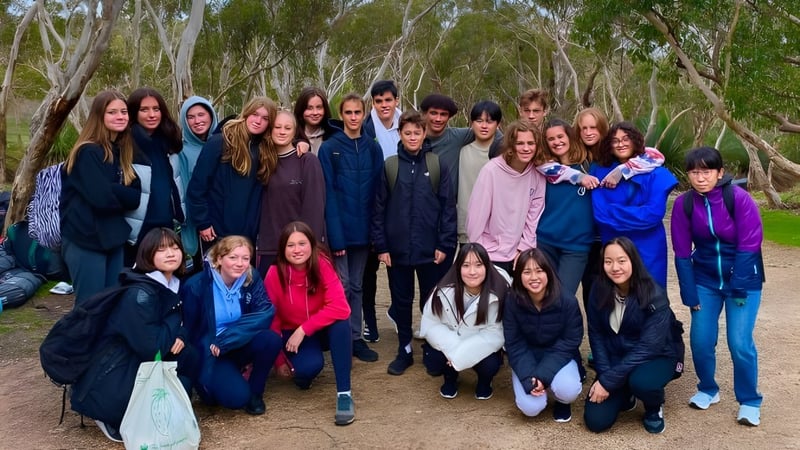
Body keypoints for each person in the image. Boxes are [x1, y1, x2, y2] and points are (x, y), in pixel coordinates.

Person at [70, 228, 198, 442]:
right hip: (119, 366)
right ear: (147, 254)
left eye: (175, 247)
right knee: (138, 413)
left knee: (190, 356)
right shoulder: (140, 293)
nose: (171, 253)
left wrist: (182, 334)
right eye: (162, 249)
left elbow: (176, 326)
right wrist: (176, 319)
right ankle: (107, 414)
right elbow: (151, 348)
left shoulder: (172, 284)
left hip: (143, 356)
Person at [671, 146, 765, 426]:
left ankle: (749, 400)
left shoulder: (738, 198)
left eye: (707, 171)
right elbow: (681, 251)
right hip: (705, 281)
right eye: (695, 172)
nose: (700, 177)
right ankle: (708, 389)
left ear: (720, 172)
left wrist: (737, 286)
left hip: (743, 282)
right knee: (700, 341)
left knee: (739, 343)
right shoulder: (684, 204)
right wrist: (689, 293)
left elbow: (750, 244)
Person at [372, 110, 457, 376]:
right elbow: (378, 210)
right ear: (399, 134)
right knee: (401, 300)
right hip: (397, 252)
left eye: (417, 133)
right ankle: (404, 349)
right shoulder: (390, 165)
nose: (412, 137)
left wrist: (444, 245)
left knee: (432, 301)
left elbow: (448, 209)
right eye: (407, 132)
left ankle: (433, 347)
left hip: (430, 250)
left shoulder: (436, 165)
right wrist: (382, 247)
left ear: (424, 134)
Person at [584, 237, 681, 434]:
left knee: (642, 382)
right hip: (617, 356)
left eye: (621, 260)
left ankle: (653, 407)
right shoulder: (598, 289)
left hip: (656, 356)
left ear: (633, 261)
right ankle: (625, 394)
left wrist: (608, 381)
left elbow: (649, 347)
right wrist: (604, 375)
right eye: (608, 261)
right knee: (596, 421)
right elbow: (596, 334)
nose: (615, 267)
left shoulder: (654, 294)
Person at [264, 221, 355, 425]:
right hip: (291, 333)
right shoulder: (274, 273)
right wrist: (278, 361)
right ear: (282, 248)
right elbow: (272, 318)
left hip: (317, 329)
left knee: (341, 324)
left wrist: (304, 329)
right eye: (291, 245)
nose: (297, 250)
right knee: (307, 370)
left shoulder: (322, 264)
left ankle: (344, 394)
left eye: (302, 243)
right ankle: (302, 374)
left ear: (312, 245)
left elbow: (341, 307)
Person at [181, 235, 282, 415]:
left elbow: (265, 312)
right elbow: (191, 330)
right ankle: (211, 382)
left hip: (236, 342)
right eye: (233, 257)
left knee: (270, 339)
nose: (240, 263)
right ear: (219, 259)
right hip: (211, 350)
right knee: (232, 399)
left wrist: (228, 339)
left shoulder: (251, 278)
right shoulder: (196, 285)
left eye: (245, 258)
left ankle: (256, 393)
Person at [318, 93, 383, 362]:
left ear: (364, 114)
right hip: (340, 233)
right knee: (341, 286)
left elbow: (379, 194)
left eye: (358, 113)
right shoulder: (329, 148)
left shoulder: (373, 147)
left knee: (357, 286)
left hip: (365, 233)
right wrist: (336, 237)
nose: (354, 118)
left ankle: (356, 338)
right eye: (348, 113)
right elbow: (328, 195)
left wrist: (376, 235)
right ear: (341, 115)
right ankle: (338, 337)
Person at [60, 90, 141, 305]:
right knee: (90, 305)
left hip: (112, 238)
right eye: (112, 112)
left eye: (123, 111)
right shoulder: (88, 152)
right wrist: (117, 190)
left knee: (110, 303)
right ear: (99, 116)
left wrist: (111, 188)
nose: (120, 116)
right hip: (85, 238)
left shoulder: (120, 151)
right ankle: (79, 340)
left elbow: (134, 198)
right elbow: (101, 199)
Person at [590, 122, 677, 288]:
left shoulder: (656, 173)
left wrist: (614, 212)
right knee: (614, 298)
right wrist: (637, 213)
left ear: (635, 140)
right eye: (615, 141)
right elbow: (600, 214)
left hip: (649, 247)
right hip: (613, 245)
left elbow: (653, 215)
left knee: (651, 296)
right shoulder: (600, 172)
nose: (621, 144)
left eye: (626, 139)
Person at [420, 243, 509, 400]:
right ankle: (450, 379)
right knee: (434, 360)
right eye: (466, 265)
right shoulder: (442, 291)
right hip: (452, 341)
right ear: (458, 267)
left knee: (490, 365)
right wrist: (452, 349)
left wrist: (461, 355)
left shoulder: (500, 292)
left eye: (478, 265)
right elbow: (430, 324)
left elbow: (496, 333)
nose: (472, 272)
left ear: (487, 267)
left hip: (480, 345)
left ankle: (484, 382)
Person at [504, 248, 583, 422]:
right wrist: (529, 377)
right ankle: (538, 389)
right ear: (519, 275)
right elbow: (514, 343)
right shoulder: (512, 300)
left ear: (549, 272)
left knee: (568, 390)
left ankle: (562, 402)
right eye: (527, 272)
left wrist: (542, 375)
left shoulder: (567, 300)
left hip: (558, 354)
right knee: (531, 408)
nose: (534, 277)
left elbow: (570, 341)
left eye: (539, 271)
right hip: (526, 356)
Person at [187, 96, 277, 247]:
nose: (258, 121)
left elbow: (286, 133)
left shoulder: (266, 149)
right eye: (255, 114)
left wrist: (301, 142)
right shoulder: (220, 142)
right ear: (246, 114)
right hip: (217, 232)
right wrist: (203, 222)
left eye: (265, 118)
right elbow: (197, 187)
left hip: (249, 235)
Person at [466, 120, 546, 274]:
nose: (526, 148)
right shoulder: (491, 171)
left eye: (531, 143)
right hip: (489, 253)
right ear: (511, 145)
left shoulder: (537, 173)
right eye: (520, 143)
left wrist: (524, 248)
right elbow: (476, 217)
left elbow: (533, 216)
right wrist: (477, 252)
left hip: (519, 254)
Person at [256, 111, 326, 274]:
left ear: (295, 132)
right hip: (268, 247)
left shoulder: (307, 161)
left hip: (297, 249)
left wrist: (307, 246)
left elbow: (314, 208)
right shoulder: (261, 160)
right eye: (277, 127)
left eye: (287, 128)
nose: (282, 131)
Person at [534, 118, 598, 295]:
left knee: (564, 297)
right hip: (545, 242)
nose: (557, 142)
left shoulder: (588, 164)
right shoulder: (544, 168)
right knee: (542, 294)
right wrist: (577, 178)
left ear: (570, 136)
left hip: (576, 246)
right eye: (551, 139)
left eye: (560, 136)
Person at [361, 79, 403, 343]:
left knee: (397, 270)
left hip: (399, 209)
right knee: (368, 273)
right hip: (370, 207)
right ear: (373, 103)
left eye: (388, 100)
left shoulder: (409, 123)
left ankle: (398, 313)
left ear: (396, 100)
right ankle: (369, 322)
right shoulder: (365, 128)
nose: (384, 105)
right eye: (378, 101)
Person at [124, 87, 185, 265]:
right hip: (136, 228)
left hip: (166, 223)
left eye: (156, 109)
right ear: (134, 112)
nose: (152, 114)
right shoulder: (126, 143)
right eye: (144, 110)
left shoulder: (169, 141)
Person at [178, 95, 219, 263]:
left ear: (211, 115)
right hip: (200, 225)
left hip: (225, 221)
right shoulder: (181, 151)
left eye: (201, 115)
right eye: (190, 117)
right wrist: (200, 222)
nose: (197, 121)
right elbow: (186, 190)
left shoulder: (225, 143)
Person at [457, 101, 502, 244]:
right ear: (471, 123)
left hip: (498, 232)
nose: (484, 126)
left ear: (498, 124)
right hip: (466, 230)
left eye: (489, 121)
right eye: (479, 121)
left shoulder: (506, 154)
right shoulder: (462, 151)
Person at [294, 87, 335, 154]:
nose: (315, 113)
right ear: (301, 110)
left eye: (319, 107)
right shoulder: (291, 136)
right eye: (309, 108)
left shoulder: (333, 135)